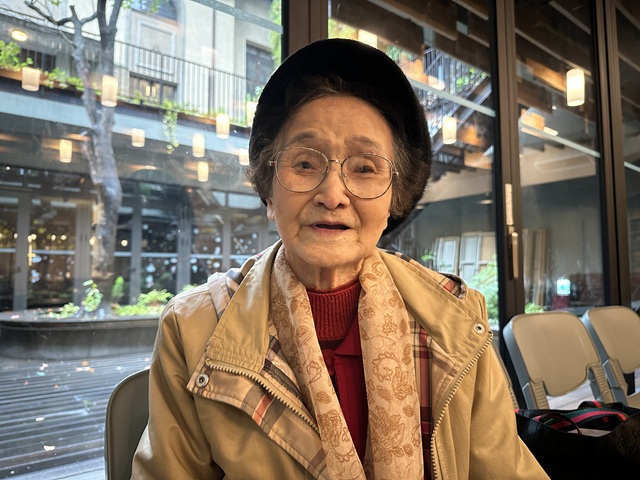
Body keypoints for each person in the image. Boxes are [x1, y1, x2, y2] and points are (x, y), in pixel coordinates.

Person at [131, 38, 549, 479]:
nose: (332, 195)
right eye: (305, 164)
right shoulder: (193, 328)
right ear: (269, 192)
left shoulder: (456, 317)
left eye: (364, 168)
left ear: (394, 198)